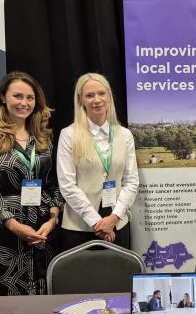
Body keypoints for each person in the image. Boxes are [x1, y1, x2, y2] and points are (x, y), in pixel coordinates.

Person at [0, 71, 64, 295]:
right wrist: (13, 225)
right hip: (3, 233)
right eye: (18, 96)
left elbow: (54, 184)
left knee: (44, 297)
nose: (24, 103)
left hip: (42, 230)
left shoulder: (44, 140)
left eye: (30, 97)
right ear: (3, 97)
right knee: (7, 303)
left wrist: (53, 218)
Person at [57, 73, 139, 250]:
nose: (97, 100)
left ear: (109, 96)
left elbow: (131, 181)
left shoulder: (125, 135)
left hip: (118, 225)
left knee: (117, 277)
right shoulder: (69, 135)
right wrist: (97, 223)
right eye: (89, 95)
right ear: (81, 100)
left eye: (102, 93)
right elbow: (67, 186)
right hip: (80, 228)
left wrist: (114, 217)